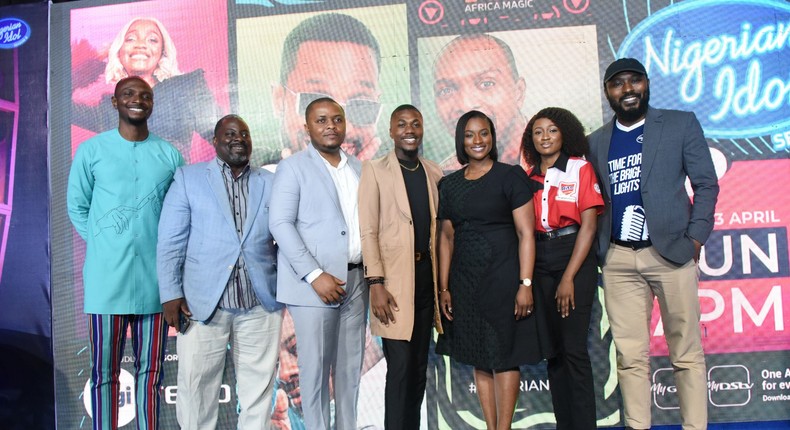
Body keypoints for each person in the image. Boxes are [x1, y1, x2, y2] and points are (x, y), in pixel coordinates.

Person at [587, 58, 719, 430]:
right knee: (630, 357)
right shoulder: (597, 141)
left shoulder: (680, 124)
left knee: (686, 353)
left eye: (634, 81)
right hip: (618, 260)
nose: (627, 89)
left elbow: (706, 184)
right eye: (617, 84)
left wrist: (695, 239)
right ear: (608, 92)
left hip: (672, 253)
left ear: (646, 84)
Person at [67, 76, 184, 430]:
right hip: (107, 284)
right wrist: (106, 244)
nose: (137, 100)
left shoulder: (169, 155)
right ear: (114, 102)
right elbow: (77, 207)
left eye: (144, 95)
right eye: (128, 94)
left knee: (151, 373)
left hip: (155, 286)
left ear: (152, 103)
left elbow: (180, 214)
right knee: (104, 372)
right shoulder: (91, 151)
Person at [156, 115, 284, 429]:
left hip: (260, 304)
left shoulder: (271, 182)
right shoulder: (189, 178)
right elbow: (170, 241)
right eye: (229, 133)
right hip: (202, 305)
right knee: (197, 390)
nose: (238, 138)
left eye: (244, 133)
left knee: (258, 393)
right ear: (215, 141)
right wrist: (171, 293)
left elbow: (287, 236)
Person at [436, 110, 546, 430]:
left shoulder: (510, 176)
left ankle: (504, 427)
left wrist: (525, 283)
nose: (477, 141)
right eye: (469, 135)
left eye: (483, 133)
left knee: (503, 354)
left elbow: (527, 234)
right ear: (461, 141)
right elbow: (445, 237)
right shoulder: (449, 184)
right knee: (478, 355)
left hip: (504, 276)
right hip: (464, 282)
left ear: (492, 137)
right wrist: (444, 288)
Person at [269, 97, 367, 430]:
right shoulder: (293, 167)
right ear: (307, 126)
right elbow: (280, 224)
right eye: (321, 120)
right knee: (314, 376)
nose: (330, 126)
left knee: (349, 373)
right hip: (314, 287)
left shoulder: (358, 168)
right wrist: (314, 275)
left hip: (356, 282)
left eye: (337, 119)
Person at [358, 105, 444, 429]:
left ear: (422, 129)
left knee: (419, 368)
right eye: (402, 124)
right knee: (401, 369)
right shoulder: (375, 170)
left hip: (426, 282)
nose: (409, 129)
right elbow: (368, 230)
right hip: (392, 286)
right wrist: (375, 282)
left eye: (416, 124)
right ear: (391, 131)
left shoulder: (433, 172)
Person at [521, 107, 604, 429]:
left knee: (573, 350)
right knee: (552, 352)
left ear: (564, 134)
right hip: (540, 258)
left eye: (552, 130)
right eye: (538, 131)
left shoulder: (580, 168)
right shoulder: (528, 178)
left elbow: (588, 226)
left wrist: (568, 276)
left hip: (573, 256)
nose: (545, 137)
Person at [72, 17, 219, 162]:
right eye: (130, 39)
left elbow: (224, 137)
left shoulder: (187, 88)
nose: (141, 45)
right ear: (118, 51)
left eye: (152, 40)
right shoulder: (109, 109)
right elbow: (60, 107)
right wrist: (95, 59)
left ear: (162, 52)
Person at [270, 13, 383, 163]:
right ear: (279, 100)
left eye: (360, 106)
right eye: (315, 102)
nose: (343, 128)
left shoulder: (402, 181)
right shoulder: (245, 177)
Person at [432, 34, 527, 168]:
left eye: (486, 83)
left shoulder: (559, 163)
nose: (466, 105)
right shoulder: (444, 175)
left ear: (518, 93)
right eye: (446, 90)